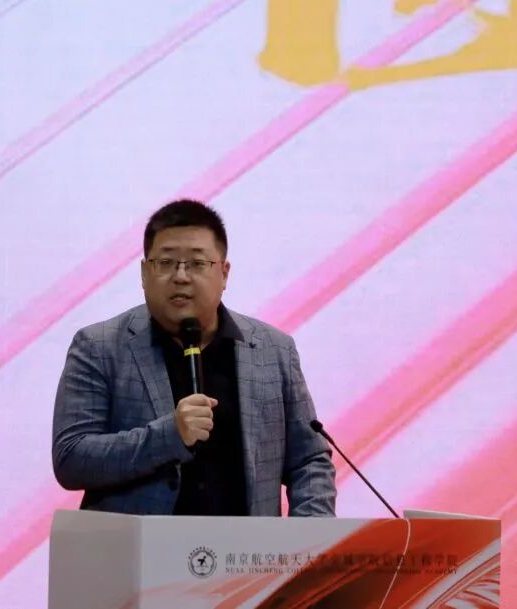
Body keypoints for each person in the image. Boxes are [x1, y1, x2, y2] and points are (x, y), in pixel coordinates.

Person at [52, 199, 336, 516]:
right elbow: (71, 458)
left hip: (246, 547)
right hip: (137, 547)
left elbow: (309, 460)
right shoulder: (99, 347)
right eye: (166, 263)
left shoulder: (273, 350)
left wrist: (311, 534)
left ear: (224, 274)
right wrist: (168, 436)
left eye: (197, 264)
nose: (181, 276)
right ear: (144, 273)